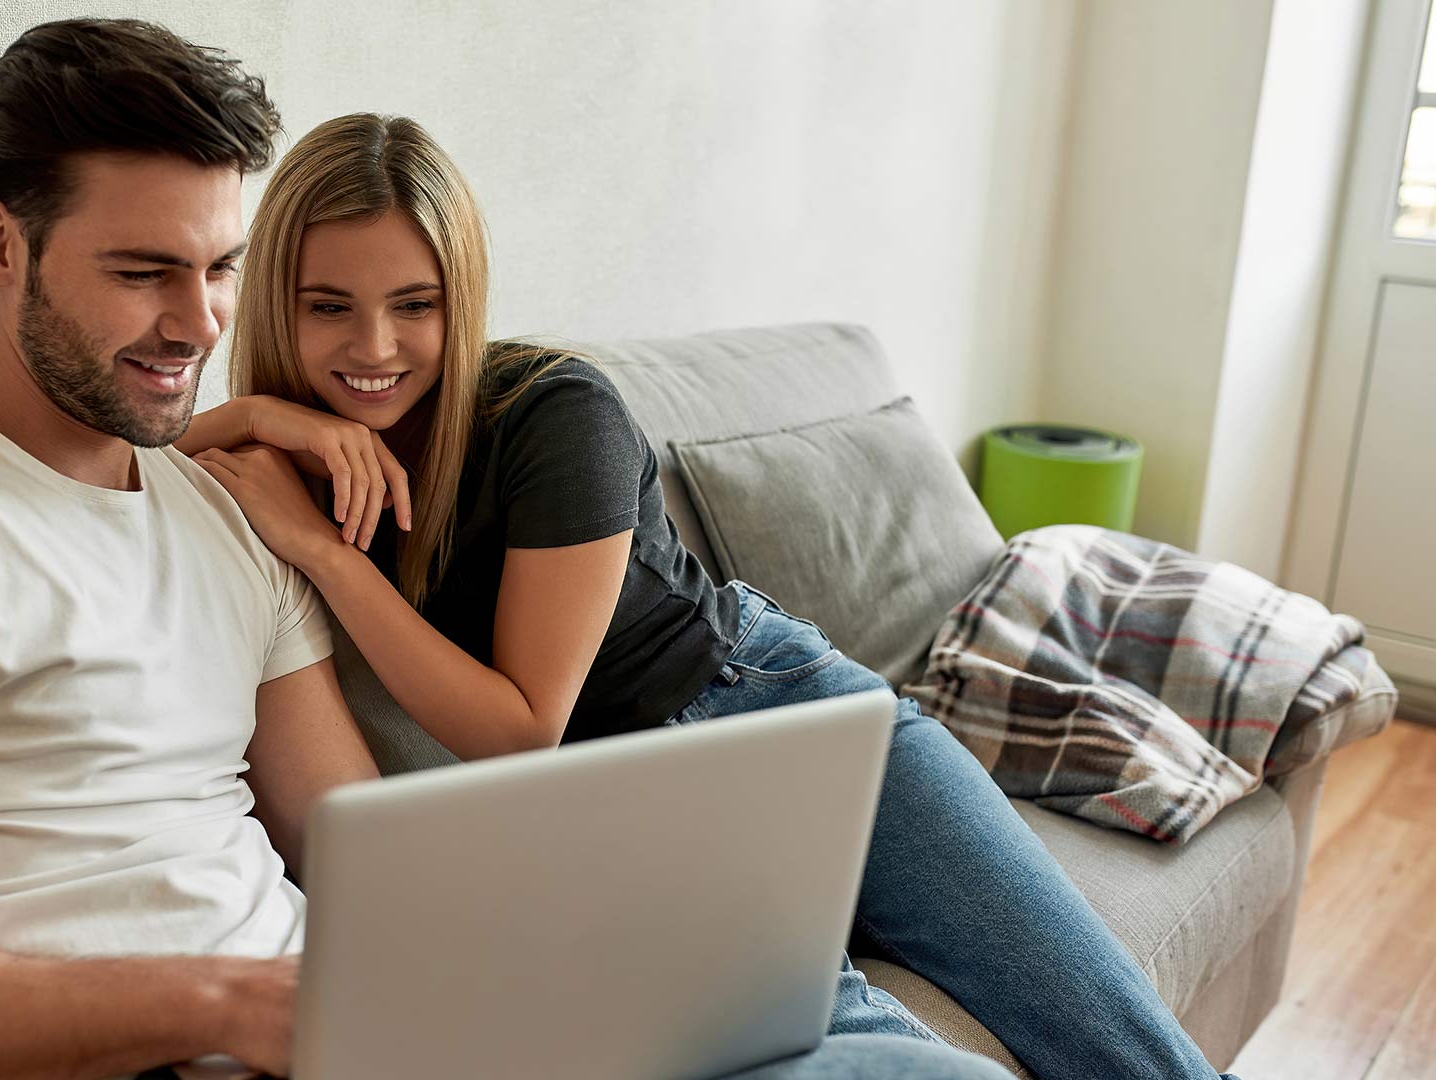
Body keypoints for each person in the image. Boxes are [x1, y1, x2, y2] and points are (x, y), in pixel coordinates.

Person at [0, 18, 1009, 1080]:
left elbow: (353, 838)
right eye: (144, 271)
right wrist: (227, 998)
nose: (195, 322)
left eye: (219, 270)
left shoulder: (227, 510)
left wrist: (615, 926)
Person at [187, 112, 1243, 1080]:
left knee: (1115, 1043)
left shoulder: (555, 412)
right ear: (277, 302)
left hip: (780, 718)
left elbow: (520, 728)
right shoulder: (293, 451)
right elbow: (145, 468)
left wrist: (330, 559)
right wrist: (267, 424)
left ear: (461, 300)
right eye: (330, 308)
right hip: (627, 826)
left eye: (414, 306)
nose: (372, 349)